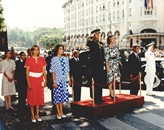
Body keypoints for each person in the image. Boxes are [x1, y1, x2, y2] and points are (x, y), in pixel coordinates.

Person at [25, 45, 47, 122]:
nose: (36, 51)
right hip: (32, 80)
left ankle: (37, 114)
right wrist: (28, 83)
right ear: (32, 51)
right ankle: (32, 115)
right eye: (35, 50)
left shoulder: (42, 59)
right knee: (32, 99)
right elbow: (27, 73)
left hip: (39, 80)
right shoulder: (29, 59)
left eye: (38, 49)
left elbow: (44, 71)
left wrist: (45, 80)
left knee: (38, 98)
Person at [50, 44, 70, 119]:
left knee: (62, 97)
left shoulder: (65, 59)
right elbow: (53, 71)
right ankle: (58, 112)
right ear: (57, 50)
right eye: (60, 49)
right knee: (57, 97)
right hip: (57, 80)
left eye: (62, 49)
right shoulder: (54, 59)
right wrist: (54, 81)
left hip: (64, 81)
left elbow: (68, 70)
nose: (62, 50)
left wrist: (69, 79)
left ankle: (61, 111)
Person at [87, 29, 105, 104]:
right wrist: (90, 36)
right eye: (97, 34)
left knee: (100, 81)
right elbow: (88, 42)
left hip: (100, 64)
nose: (98, 35)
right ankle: (94, 97)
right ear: (94, 35)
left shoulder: (100, 43)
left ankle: (99, 97)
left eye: (98, 34)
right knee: (94, 81)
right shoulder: (91, 42)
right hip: (94, 64)